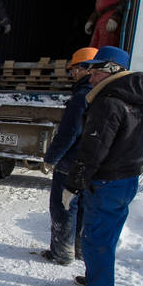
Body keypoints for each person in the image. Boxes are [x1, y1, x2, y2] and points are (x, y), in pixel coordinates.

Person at [62, 45, 143, 286]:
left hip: (106, 182)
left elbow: (92, 150)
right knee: (108, 235)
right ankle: (96, 280)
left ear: (111, 70)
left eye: (95, 71)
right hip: (127, 179)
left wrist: (74, 183)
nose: (90, 77)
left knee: (96, 237)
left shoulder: (109, 103)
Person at [39, 47, 98, 265]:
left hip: (71, 161)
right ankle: (79, 249)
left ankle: (62, 252)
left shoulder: (81, 96)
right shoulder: (100, 94)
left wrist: (51, 158)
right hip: (89, 161)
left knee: (63, 206)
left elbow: (69, 132)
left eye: (76, 69)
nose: (73, 73)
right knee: (82, 206)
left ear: (87, 68)